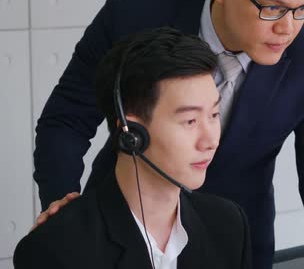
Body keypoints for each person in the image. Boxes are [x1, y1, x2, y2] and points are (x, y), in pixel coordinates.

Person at [32, 0, 304, 268]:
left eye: (302, 8)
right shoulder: (134, 10)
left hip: (235, 242)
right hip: (117, 230)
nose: (288, 29)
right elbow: (67, 119)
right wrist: (65, 211)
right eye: (272, 8)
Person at [15, 27, 251, 269]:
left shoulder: (228, 225)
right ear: (132, 134)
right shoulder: (56, 248)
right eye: (190, 121)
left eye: (214, 114)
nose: (210, 140)